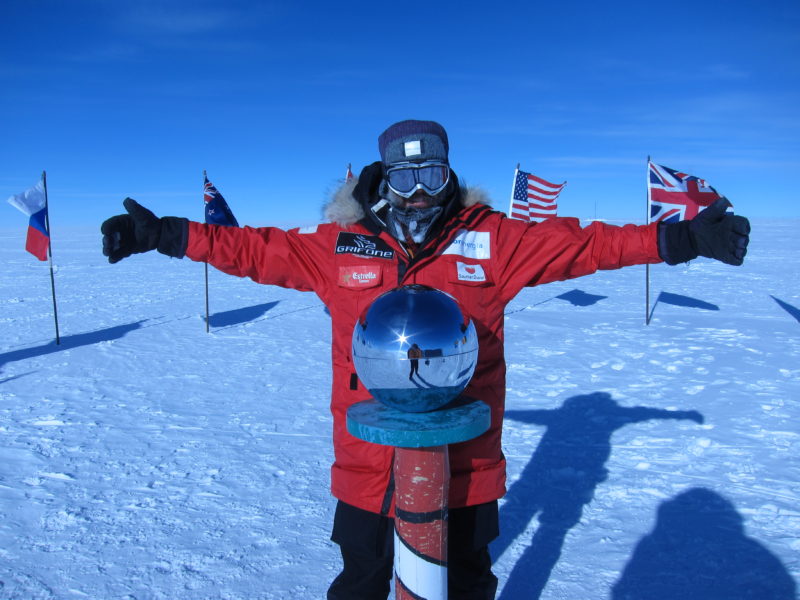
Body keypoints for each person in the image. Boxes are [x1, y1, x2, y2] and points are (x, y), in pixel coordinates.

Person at [101, 119, 750, 599]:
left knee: (466, 581)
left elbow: (586, 246)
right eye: (404, 178)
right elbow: (254, 249)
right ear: (382, 179)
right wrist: (164, 234)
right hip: (366, 464)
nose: (418, 193)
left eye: (431, 176)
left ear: (450, 177)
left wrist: (685, 237)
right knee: (360, 581)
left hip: (466, 465)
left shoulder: (493, 242)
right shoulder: (342, 245)